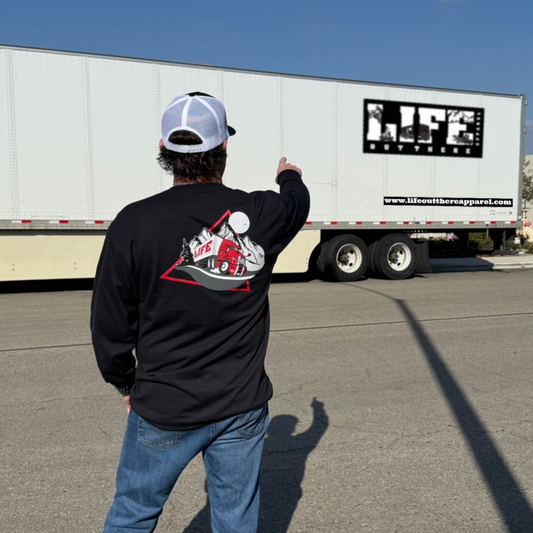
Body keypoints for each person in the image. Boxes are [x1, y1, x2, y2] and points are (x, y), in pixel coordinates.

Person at [90, 91, 310, 533]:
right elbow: (297, 202)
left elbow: (110, 324)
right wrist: (289, 175)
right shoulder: (262, 212)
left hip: (163, 405)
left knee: (133, 514)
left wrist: (124, 382)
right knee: (235, 521)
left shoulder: (132, 223)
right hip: (240, 406)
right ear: (224, 149)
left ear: (164, 150)